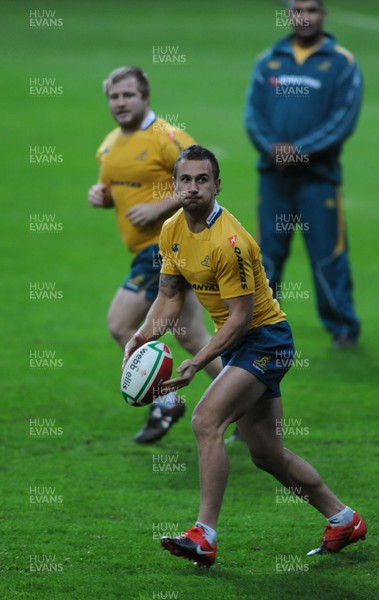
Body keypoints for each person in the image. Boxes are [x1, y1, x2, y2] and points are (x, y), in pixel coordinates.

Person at [123, 145, 367, 567]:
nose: (194, 187)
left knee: (205, 419)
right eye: (186, 179)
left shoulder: (229, 242)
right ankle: (344, 519)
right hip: (243, 342)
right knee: (266, 454)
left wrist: (198, 362)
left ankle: (204, 534)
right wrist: (143, 335)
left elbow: (240, 319)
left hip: (265, 341)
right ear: (175, 184)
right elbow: (168, 297)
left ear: (217, 185)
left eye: (203, 180)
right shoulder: (172, 229)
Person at [88, 66, 222, 443]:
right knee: (193, 337)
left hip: (165, 247)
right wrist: (103, 197)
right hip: (151, 249)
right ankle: (247, 406)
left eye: (128, 95)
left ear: (145, 97)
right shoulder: (110, 143)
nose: (120, 102)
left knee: (119, 324)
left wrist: (156, 208)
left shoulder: (167, 136)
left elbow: (203, 181)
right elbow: (116, 185)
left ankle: (165, 400)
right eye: (114, 96)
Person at [244, 0, 363, 349]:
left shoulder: (341, 63)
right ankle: (259, 323)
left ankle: (343, 328)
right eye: (297, 9)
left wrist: (299, 150)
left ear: (323, 14)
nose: (304, 16)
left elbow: (343, 119)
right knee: (266, 255)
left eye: (312, 9)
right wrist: (273, 149)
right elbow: (253, 116)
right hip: (274, 176)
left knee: (328, 254)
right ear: (288, 14)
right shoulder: (268, 59)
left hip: (318, 179)